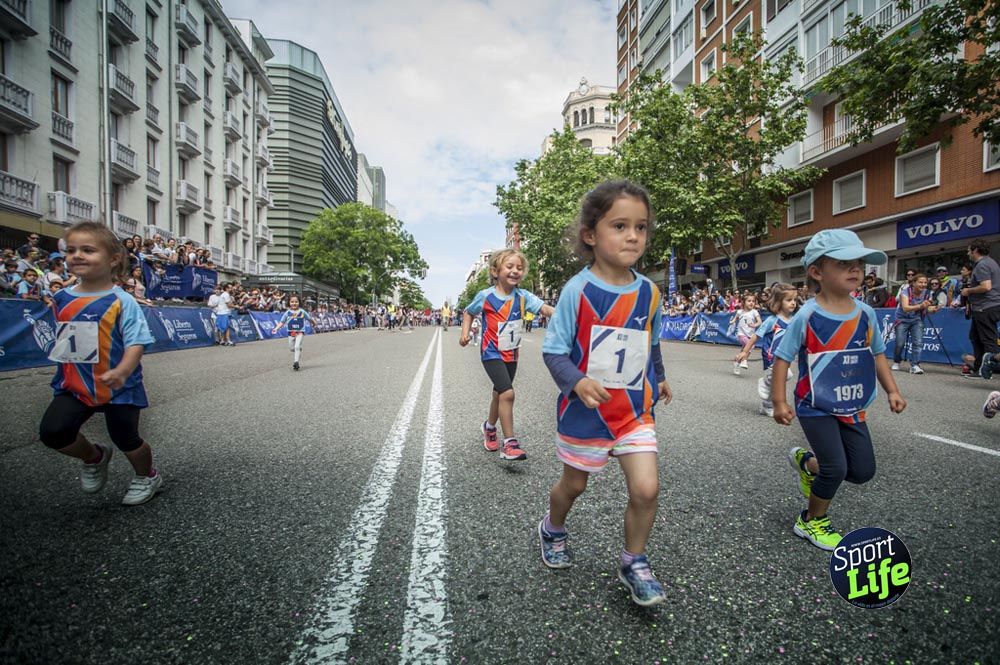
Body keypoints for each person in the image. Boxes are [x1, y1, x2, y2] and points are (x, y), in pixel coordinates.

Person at [538, 180, 672, 607]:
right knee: (573, 486)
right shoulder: (577, 291)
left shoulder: (649, 292)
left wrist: (661, 376)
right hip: (586, 415)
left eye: (641, 227)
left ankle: (634, 561)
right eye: (620, 225)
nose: (633, 236)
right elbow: (554, 351)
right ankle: (553, 528)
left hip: (634, 413)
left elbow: (649, 343)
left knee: (646, 489)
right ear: (591, 235)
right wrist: (576, 381)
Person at [771, 229, 906, 551]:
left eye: (858, 263)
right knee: (836, 467)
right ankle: (811, 520)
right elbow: (781, 358)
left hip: (851, 405)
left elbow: (877, 354)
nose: (855, 269)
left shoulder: (866, 314)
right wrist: (778, 401)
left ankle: (808, 464)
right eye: (844, 263)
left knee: (861, 471)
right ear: (817, 272)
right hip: (813, 404)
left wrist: (892, 390)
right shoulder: (807, 315)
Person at [37, 221, 162, 506]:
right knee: (53, 432)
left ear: (113, 259)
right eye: (71, 250)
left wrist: (122, 370)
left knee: (127, 438)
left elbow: (136, 341)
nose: (77, 255)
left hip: (119, 386)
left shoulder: (122, 301)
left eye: (88, 250)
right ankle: (94, 456)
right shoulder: (60, 298)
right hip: (75, 386)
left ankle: (147, 475)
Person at [459, 249, 554, 460]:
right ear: (495, 271)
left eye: (519, 268)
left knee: (499, 394)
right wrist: (465, 333)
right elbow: (468, 312)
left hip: (511, 354)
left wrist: (569, 314)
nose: (515, 271)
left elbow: (546, 310)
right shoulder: (486, 296)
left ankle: (489, 427)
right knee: (508, 393)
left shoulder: (523, 297)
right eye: (509, 267)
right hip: (491, 353)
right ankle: (509, 443)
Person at [735, 283, 798, 417]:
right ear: (778, 302)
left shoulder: (794, 320)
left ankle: (766, 405)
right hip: (772, 354)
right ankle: (766, 384)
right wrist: (745, 352)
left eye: (795, 300)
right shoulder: (772, 320)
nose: (793, 303)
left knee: (787, 376)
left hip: (785, 355)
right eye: (789, 300)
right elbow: (755, 336)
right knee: (784, 376)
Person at [962, 239, 1000, 379]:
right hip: (984, 307)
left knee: (988, 340)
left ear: (975, 250)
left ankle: (990, 367)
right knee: (975, 337)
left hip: (986, 307)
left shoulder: (982, 265)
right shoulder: (990, 263)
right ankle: (978, 368)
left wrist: (968, 291)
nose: (968, 253)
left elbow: (986, 286)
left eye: (969, 250)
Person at [891, 272, 937, 375]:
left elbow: (927, 307)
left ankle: (915, 365)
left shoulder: (927, 293)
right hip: (902, 319)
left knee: (918, 343)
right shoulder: (905, 292)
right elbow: (906, 308)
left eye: (925, 282)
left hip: (917, 319)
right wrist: (921, 306)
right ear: (914, 283)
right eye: (921, 282)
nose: (923, 284)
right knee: (900, 343)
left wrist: (933, 309)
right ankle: (897, 361)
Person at [273, 294, 314, 371]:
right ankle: (298, 349)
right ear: (289, 302)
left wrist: (314, 323)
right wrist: (276, 328)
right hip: (291, 333)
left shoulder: (302, 311)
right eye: (292, 302)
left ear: (299, 302)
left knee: (297, 346)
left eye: (296, 302)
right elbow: (282, 322)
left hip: (300, 332)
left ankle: (296, 362)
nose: (294, 303)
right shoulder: (287, 313)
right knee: (292, 348)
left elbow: (309, 318)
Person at [731, 294, 762, 375]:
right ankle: (744, 360)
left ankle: (737, 361)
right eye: (749, 301)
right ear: (744, 302)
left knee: (744, 350)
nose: (751, 303)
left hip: (750, 335)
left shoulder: (754, 312)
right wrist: (733, 321)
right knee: (751, 346)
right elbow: (736, 317)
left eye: (753, 301)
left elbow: (759, 321)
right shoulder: (739, 311)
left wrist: (754, 325)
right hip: (741, 334)